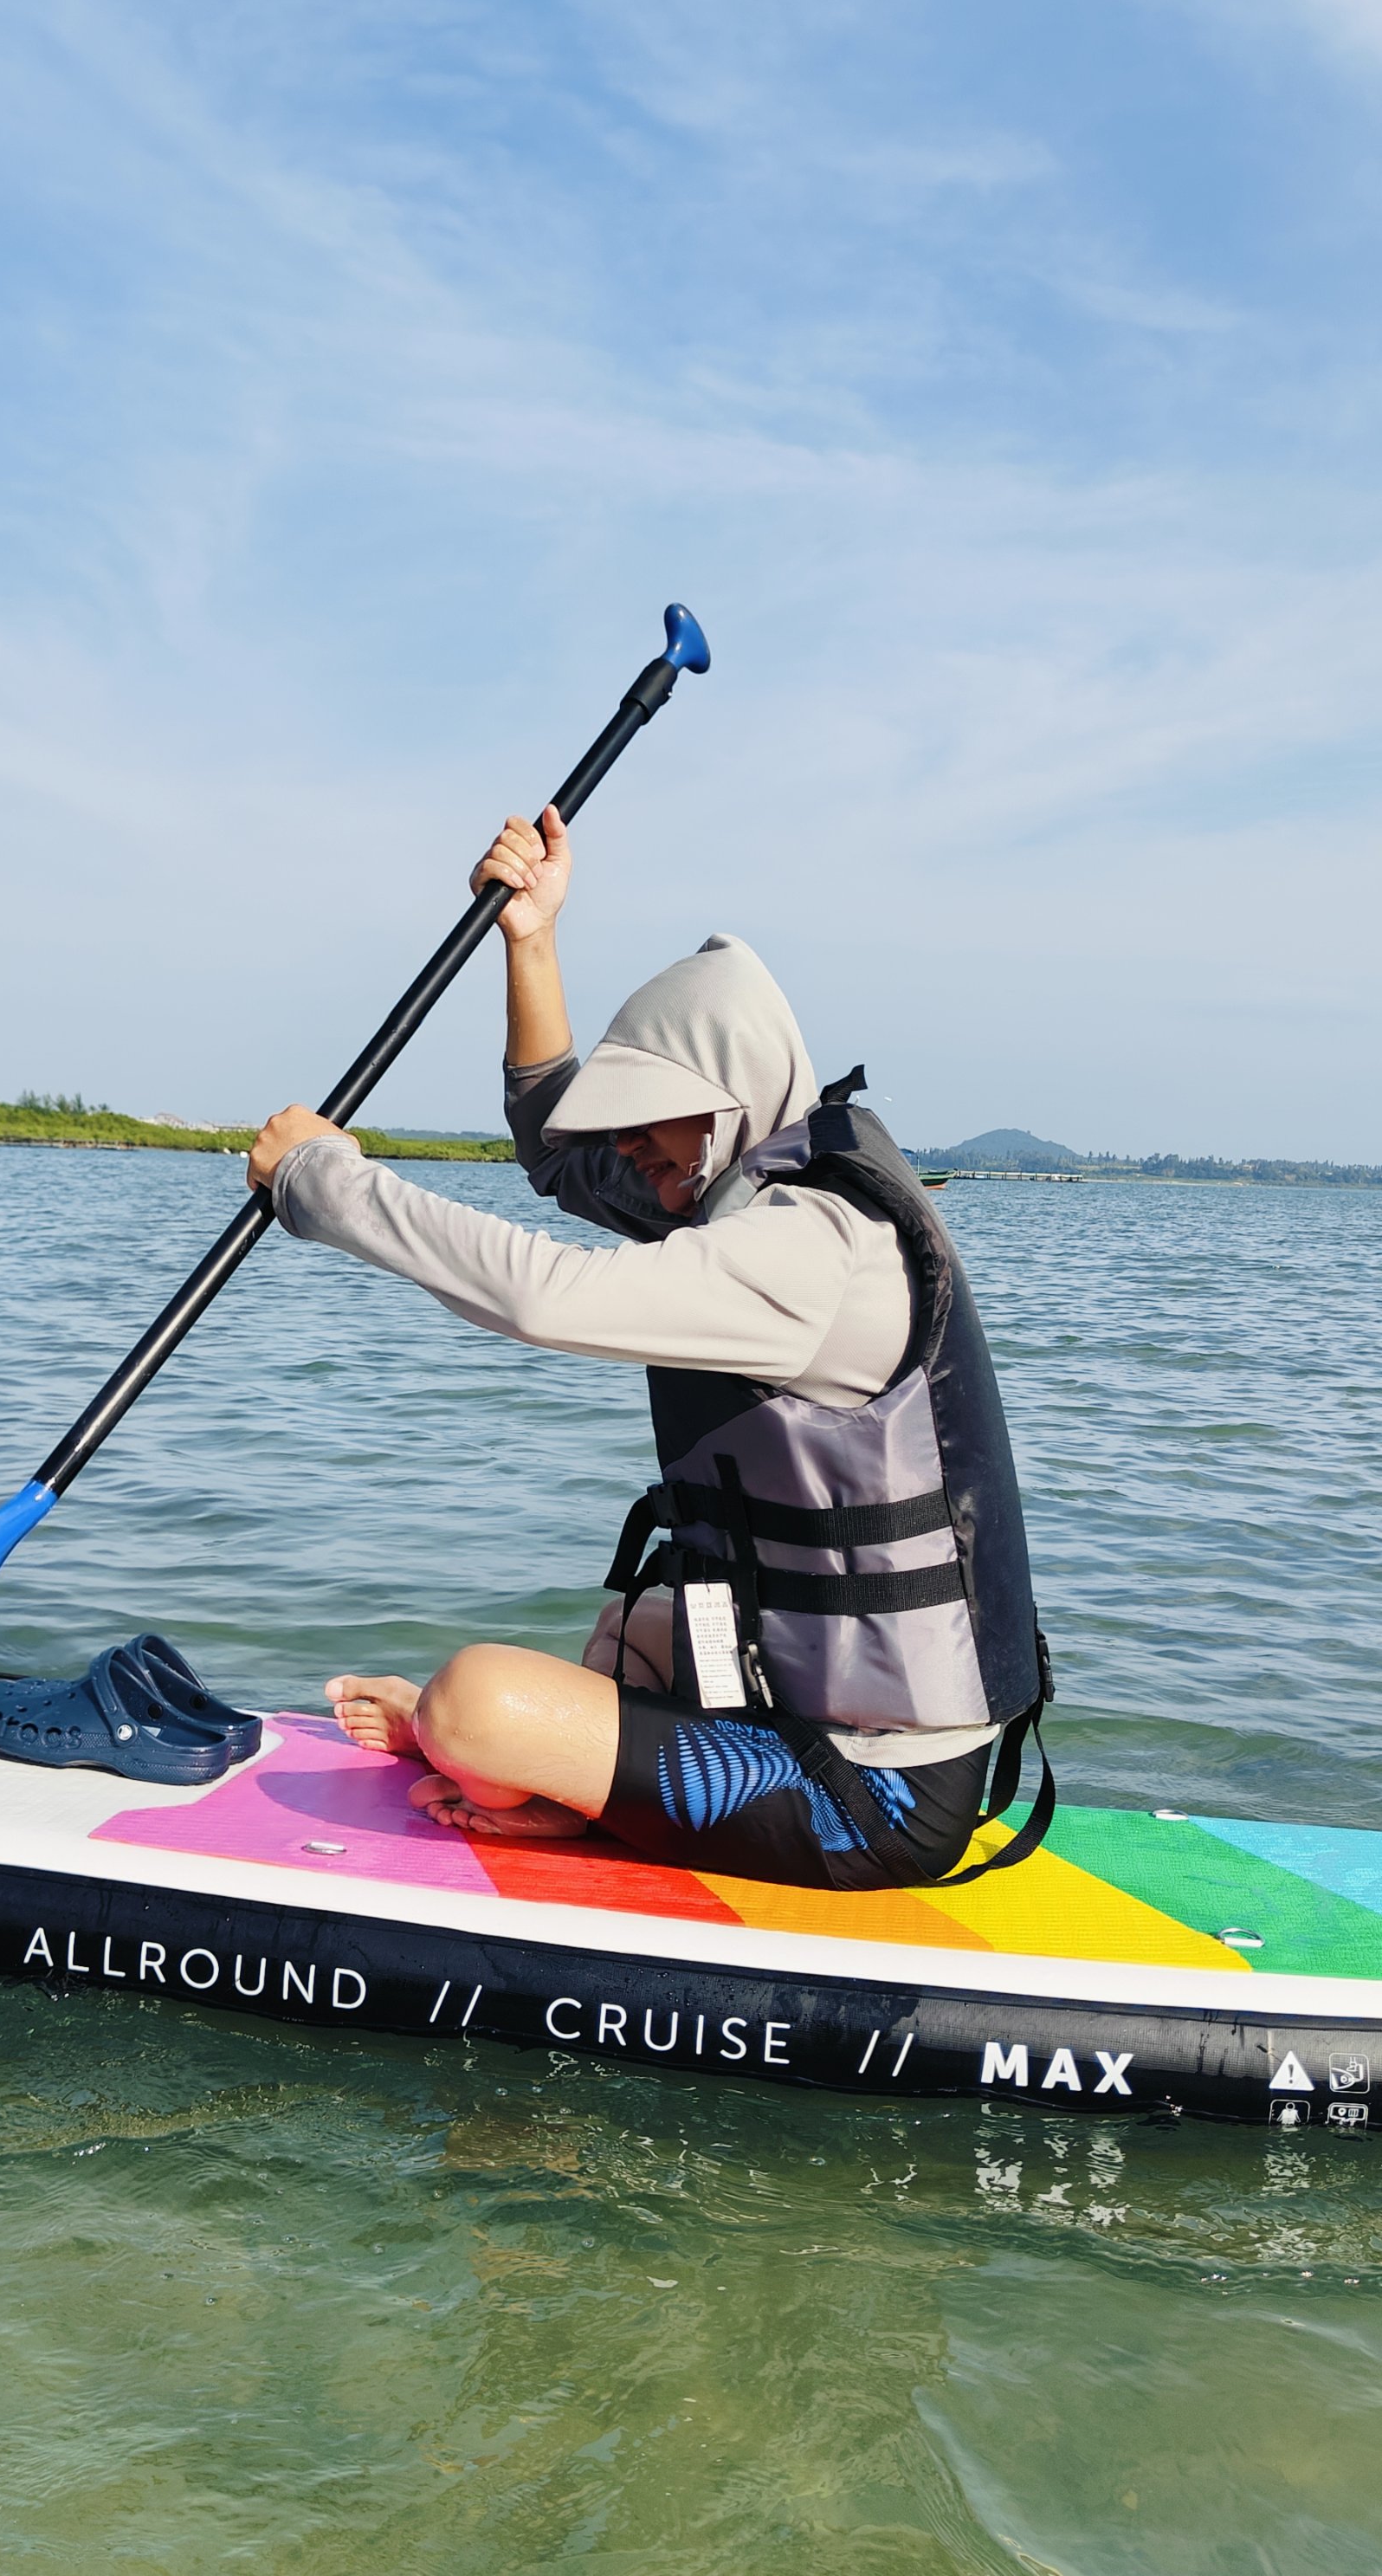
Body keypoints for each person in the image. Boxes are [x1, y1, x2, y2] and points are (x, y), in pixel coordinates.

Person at [247, 806, 1050, 1891]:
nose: (625, 1141)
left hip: (875, 1794)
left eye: (646, 1115)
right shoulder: (747, 1193)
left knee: (471, 1697)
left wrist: (323, 1183)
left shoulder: (807, 1247)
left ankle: (515, 1770)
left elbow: (541, 1294)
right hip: (795, 1708)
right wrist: (529, 938)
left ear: (725, 1106)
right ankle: (549, 1780)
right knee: (640, 1626)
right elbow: (560, 1155)